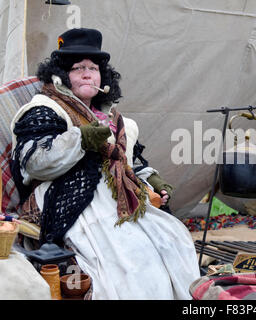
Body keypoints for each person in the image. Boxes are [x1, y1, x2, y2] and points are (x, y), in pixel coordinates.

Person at [10, 28, 200, 299]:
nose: (87, 73)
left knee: (173, 241)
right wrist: (81, 138)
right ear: (62, 76)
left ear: (103, 77)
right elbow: (35, 162)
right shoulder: (45, 108)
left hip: (119, 201)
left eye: (93, 67)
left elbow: (130, 161)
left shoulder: (113, 118)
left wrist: (153, 180)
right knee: (128, 260)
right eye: (78, 68)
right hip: (69, 200)